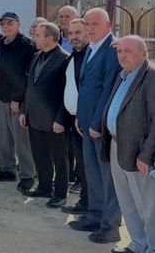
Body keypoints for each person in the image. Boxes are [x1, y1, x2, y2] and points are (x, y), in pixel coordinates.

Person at [101, 35, 155, 253]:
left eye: (129, 51)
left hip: (140, 152)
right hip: (117, 146)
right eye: (120, 51)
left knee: (150, 207)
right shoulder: (123, 75)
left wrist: (146, 155)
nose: (123, 55)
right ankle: (138, 244)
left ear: (143, 53)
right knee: (128, 202)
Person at [69, 7, 122, 245]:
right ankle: (94, 215)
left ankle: (110, 226)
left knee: (107, 177)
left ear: (108, 25)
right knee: (93, 174)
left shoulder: (111, 50)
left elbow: (109, 88)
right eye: (87, 24)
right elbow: (87, 87)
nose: (90, 29)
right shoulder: (92, 48)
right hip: (86, 124)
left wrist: (97, 121)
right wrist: (81, 118)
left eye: (95, 24)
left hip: (99, 127)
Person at [20, 22, 71, 208]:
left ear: (50, 38)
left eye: (38, 35)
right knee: (40, 154)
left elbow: (66, 93)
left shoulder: (65, 59)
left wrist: (60, 118)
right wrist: (25, 110)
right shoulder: (36, 56)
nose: (35, 38)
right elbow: (30, 86)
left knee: (59, 158)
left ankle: (60, 193)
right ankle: (44, 186)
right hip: (34, 117)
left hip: (54, 120)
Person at [0, 11, 37, 192]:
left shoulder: (27, 46)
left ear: (18, 24)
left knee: (21, 141)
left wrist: (17, 99)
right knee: (2, 138)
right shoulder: (2, 44)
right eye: (3, 24)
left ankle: (27, 175)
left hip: (17, 100)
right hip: (2, 97)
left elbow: (25, 76)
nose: (6, 27)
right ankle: (7, 169)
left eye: (10, 23)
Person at [61, 18, 90, 215]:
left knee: (89, 167)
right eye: (70, 34)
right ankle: (85, 201)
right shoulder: (74, 56)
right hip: (74, 120)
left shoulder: (91, 56)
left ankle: (90, 205)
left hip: (88, 122)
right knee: (81, 165)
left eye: (78, 33)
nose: (73, 37)